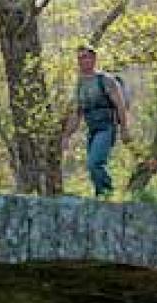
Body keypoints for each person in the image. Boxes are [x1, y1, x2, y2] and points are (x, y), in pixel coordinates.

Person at [59, 46, 130, 198]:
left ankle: (107, 193)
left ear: (94, 59)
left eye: (86, 57)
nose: (83, 61)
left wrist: (124, 129)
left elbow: (120, 105)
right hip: (92, 130)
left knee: (95, 163)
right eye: (80, 58)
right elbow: (76, 114)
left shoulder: (105, 80)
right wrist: (66, 136)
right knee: (92, 167)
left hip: (107, 127)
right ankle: (101, 196)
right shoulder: (80, 84)